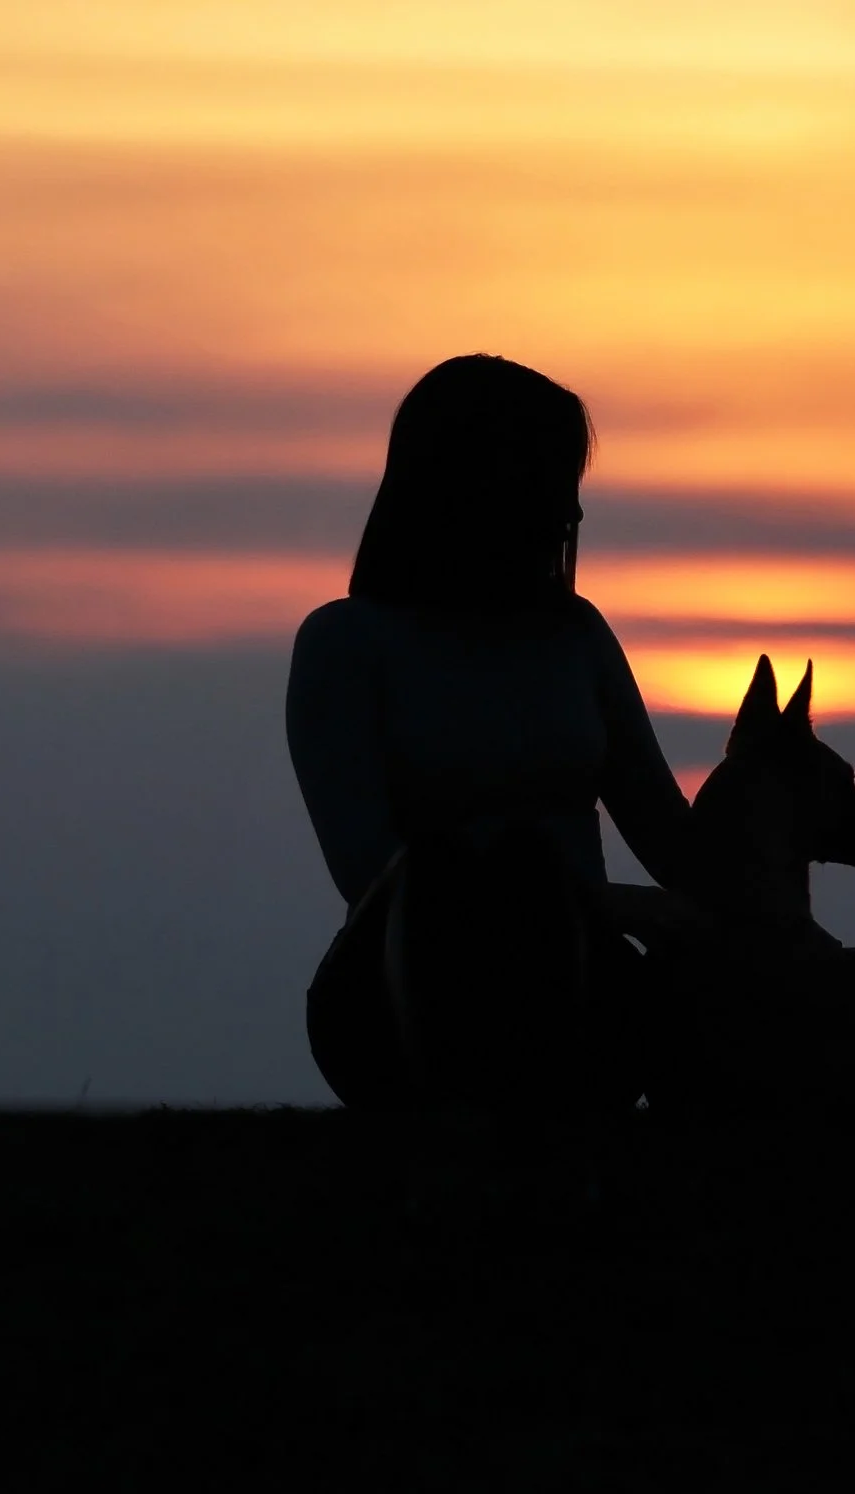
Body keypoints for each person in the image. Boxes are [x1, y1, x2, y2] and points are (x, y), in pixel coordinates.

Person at [286, 354, 702, 1114]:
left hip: (592, 987)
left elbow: (673, 843)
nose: (572, 515)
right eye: (550, 480)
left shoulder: (575, 635)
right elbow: (370, 871)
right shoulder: (346, 642)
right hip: (405, 989)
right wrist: (607, 907)